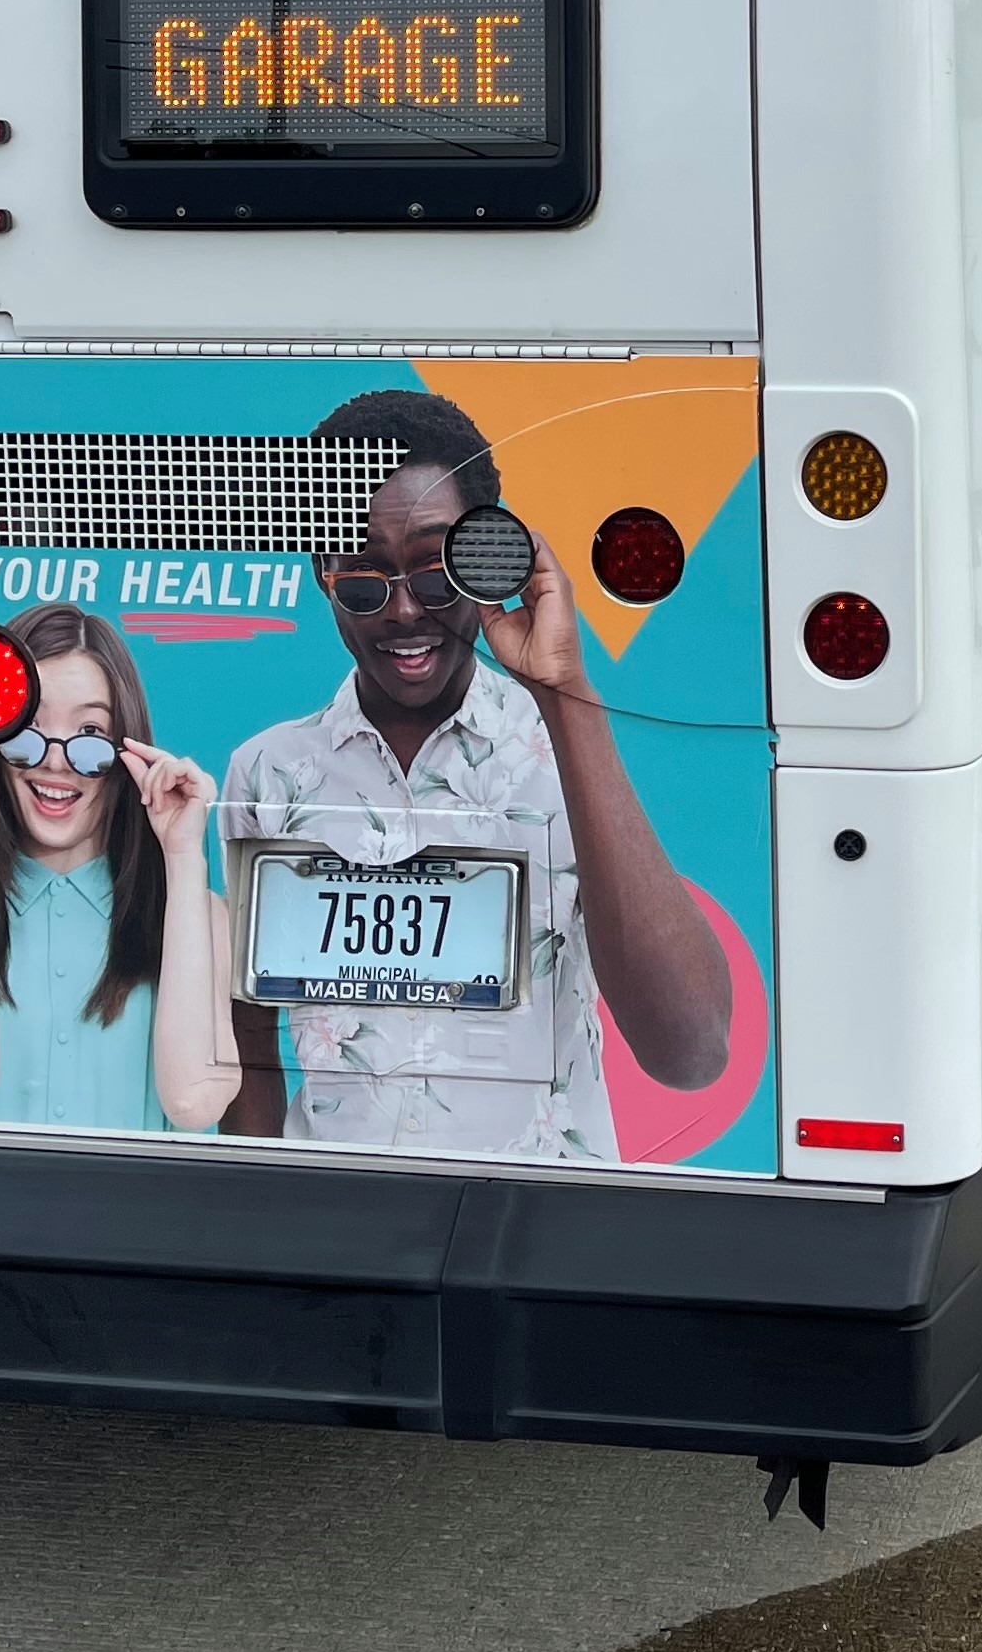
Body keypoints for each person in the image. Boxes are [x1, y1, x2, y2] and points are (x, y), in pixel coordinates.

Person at [222, 388, 732, 1158]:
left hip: (539, 1226)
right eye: (363, 580)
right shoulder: (266, 773)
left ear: (486, 556)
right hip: (336, 1229)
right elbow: (254, 1056)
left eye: (435, 573)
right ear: (323, 572)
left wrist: (567, 698)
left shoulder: (564, 754)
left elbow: (690, 1053)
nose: (402, 613)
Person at [0, 602, 237, 1133]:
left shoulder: (197, 914)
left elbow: (195, 1102)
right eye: (27, 729)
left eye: (91, 735)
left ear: (128, 751)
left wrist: (184, 855)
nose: (56, 760)